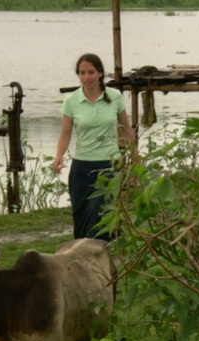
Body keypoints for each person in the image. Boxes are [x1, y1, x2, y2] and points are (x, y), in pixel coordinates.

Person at [53, 53, 137, 241]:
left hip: (109, 164)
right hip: (82, 166)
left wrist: (135, 156)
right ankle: (81, 255)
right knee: (81, 213)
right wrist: (59, 156)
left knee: (101, 212)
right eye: (82, 73)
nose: (86, 77)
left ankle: (105, 253)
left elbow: (126, 130)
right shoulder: (72, 101)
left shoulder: (114, 97)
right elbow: (65, 134)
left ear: (100, 73)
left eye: (91, 72)